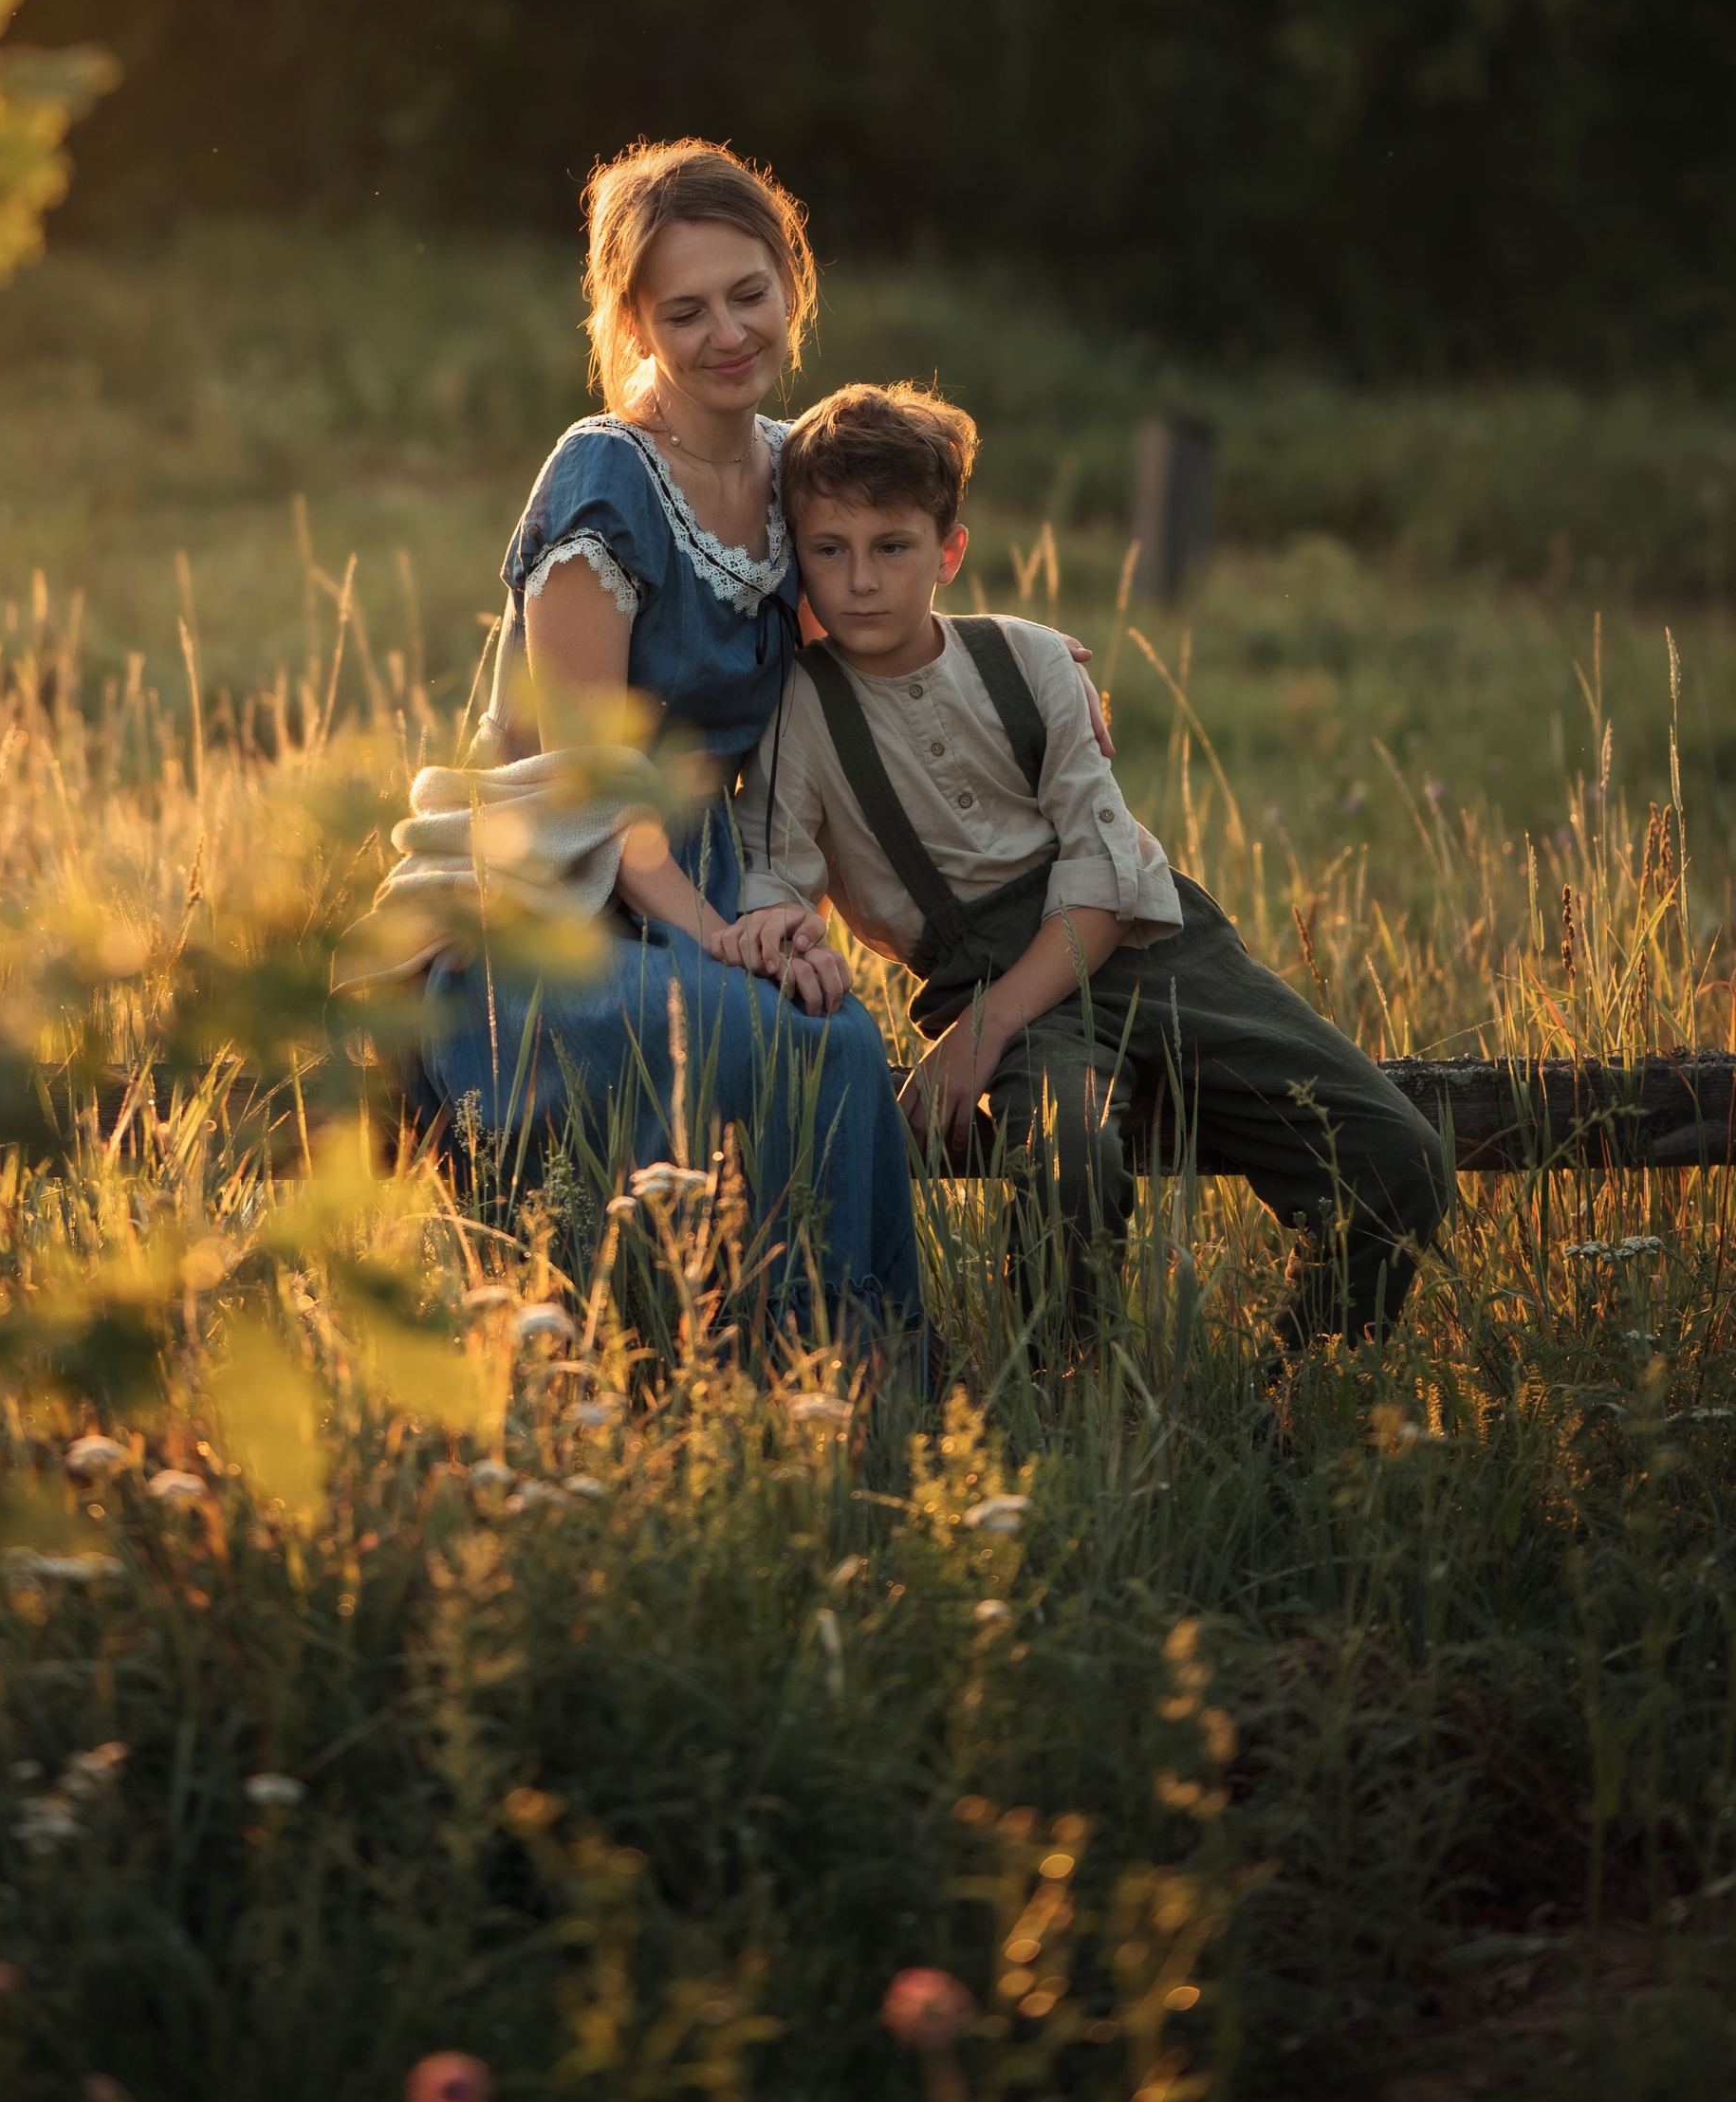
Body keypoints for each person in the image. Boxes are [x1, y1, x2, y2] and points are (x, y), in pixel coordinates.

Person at [722, 380, 1446, 1353]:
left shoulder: (1031, 662)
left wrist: (975, 1039)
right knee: (1066, 1156)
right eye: (828, 550)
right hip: (993, 981)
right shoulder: (798, 711)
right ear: (796, 555)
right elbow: (773, 873)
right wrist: (781, 929)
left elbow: (1106, 883)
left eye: (891, 547)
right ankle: (1065, 1399)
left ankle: (1294, 1392)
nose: (859, 581)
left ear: (948, 552)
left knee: (1400, 1157)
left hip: (1157, 952)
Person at [405, 138, 923, 1330]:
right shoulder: (604, 480)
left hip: (716, 882)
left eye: (749, 294)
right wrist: (723, 934)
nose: (728, 334)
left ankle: (845, 1372)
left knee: (835, 1029)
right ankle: (730, 1354)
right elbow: (589, 787)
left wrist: (1030, 667)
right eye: (685, 312)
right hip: (557, 902)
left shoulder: (796, 469)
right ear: (634, 322)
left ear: (792, 283)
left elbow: (872, 638)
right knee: (782, 1038)